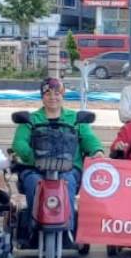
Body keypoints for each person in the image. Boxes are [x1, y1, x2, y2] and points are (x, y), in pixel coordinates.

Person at [11, 78, 106, 229]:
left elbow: (88, 138)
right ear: (42, 96)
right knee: (34, 183)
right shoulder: (31, 119)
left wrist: (97, 150)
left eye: (57, 93)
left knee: (66, 183)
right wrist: (34, 157)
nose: (52, 97)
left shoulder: (75, 118)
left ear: (63, 95)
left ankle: (69, 227)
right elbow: (19, 143)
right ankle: (31, 226)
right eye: (48, 93)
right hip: (35, 168)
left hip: (69, 168)